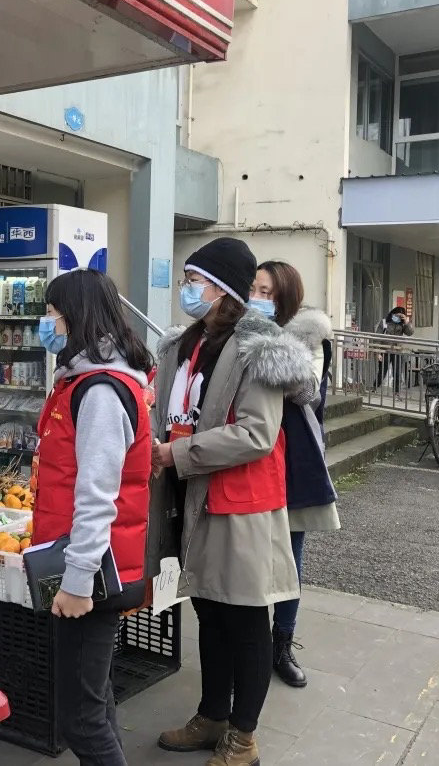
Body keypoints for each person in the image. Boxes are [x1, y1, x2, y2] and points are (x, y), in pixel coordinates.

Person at [150, 238, 313, 766]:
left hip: (238, 503)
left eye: (194, 281)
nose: (186, 289)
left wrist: (177, 453)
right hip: (191, 496)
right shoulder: (184, 344)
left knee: (244, 620)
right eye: (186, 280)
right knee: (209, 610)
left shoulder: (257, 349)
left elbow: (256, 434)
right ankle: (212, 715)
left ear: (221, 289)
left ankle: (243, 739)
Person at [30, 269, 154, 766]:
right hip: (91, 564)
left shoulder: (100, 391)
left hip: (96, 573)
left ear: (75, 317)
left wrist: (78, 580)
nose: (46, 324)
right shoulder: (83, 381)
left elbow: (98, 495)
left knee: (81, 719)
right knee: (94, 702)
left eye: (51, 314)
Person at [250, 260, 341, 688]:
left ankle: (281, 643)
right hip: (249, 455)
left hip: (295, 459)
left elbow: (305, 391)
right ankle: (250, 643)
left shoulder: (310, 337)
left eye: (266, 292)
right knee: (249, 555)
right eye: (253, 290)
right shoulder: (242, 333)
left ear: (285, 296)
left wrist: (260, 343)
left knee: (290, 554)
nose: (256, 298)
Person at [374, 306, 414, 393]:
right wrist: (378, 352)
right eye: (397, 315)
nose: (398, 318)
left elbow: (410, 333)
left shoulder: (402, 324)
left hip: (397, 351)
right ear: (393, 314)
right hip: (385, 350)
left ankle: (396, 392)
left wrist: (406, 322)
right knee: (382, 372)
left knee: (397, 373)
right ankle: (374, 388)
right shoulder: (384, 322)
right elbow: (377, 338)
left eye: (401, 316)